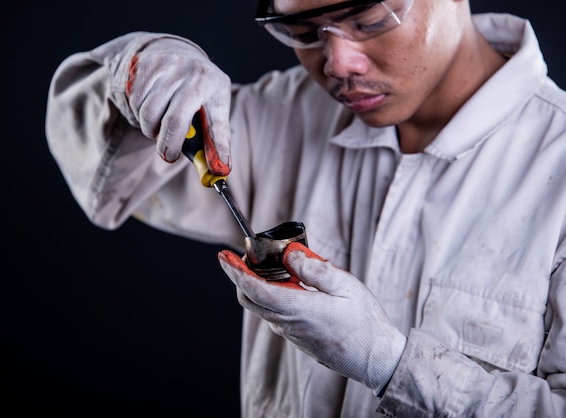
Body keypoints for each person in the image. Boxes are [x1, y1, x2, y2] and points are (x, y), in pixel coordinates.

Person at [45, 0, 565, 416]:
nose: (337, 64)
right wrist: (130, 74)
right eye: (304, 31)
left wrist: (389, 364)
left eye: (366, 18)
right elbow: (107, 180)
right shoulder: (285, 114)